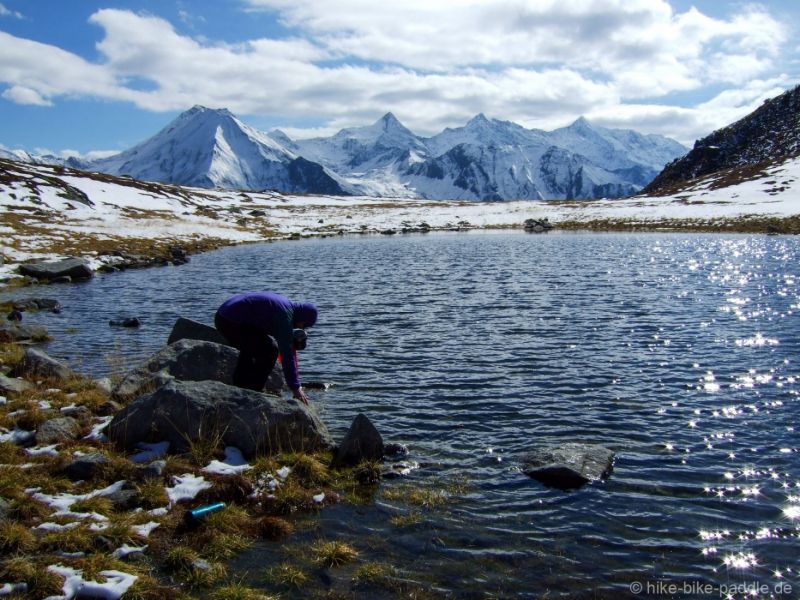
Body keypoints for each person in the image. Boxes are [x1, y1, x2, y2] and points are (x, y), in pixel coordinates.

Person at [214, 291, 318, 405]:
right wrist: (296, 388)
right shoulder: (285, 317)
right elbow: (287, 356)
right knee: (270, 350)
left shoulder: (287, 306)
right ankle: (254, 392)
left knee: (253, 347)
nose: (299, 328)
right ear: (302, 320)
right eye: (303, 326)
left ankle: (240, 387)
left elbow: (287, 347)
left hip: (224, 315)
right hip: (230, 321)